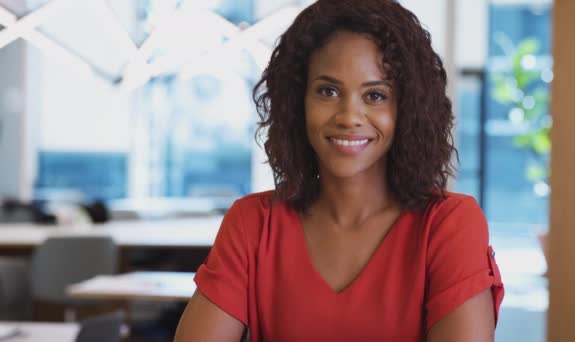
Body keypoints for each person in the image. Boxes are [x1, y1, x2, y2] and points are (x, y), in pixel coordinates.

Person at [174, 0, 504, 340]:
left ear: (407, 108)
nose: (348, 116)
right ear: (297, 102)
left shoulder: (448, 224)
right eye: (328, 91)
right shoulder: (253, 224)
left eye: (375, 95)